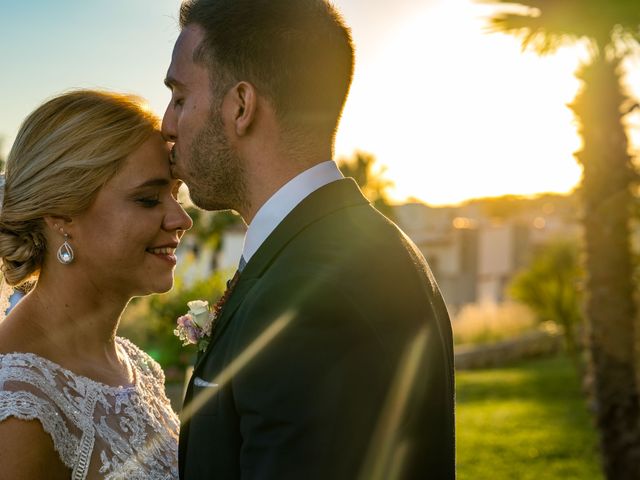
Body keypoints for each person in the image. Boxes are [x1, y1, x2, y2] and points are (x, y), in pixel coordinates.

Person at [163, 0, 456, 478]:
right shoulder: (357, 244)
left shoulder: (310, 300)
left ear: (241, 106)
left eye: (179, 98)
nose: (167, 125)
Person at [0, 90, 192, 479]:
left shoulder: (138, 367)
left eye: (174, 193)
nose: (181, 219)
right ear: (62, 215)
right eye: (147, 199)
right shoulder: (20, 407)